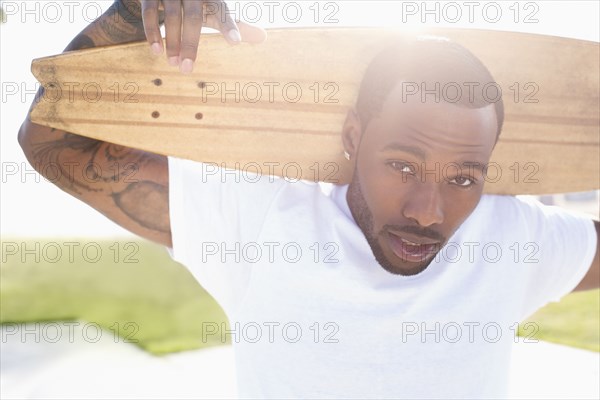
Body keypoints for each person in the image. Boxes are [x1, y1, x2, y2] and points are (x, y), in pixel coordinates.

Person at [18, 1, 599, 398]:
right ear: (353, 137)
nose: (429, 211)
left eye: (465, 178)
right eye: (402, 165)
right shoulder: (260, 220)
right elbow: (50, 143)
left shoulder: (513, 239)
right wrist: (129, 14)